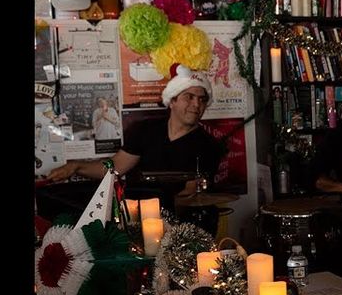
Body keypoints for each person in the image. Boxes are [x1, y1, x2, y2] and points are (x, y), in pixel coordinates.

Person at [45, 66, 225, 205]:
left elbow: (192, 193)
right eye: (189, 97)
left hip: (183, 225)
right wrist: (76, 167)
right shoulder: (145, 130)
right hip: (140, 220)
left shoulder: (209, 146)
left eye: (202, 99)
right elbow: (115, 168)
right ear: (172, 101)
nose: (196, 104)